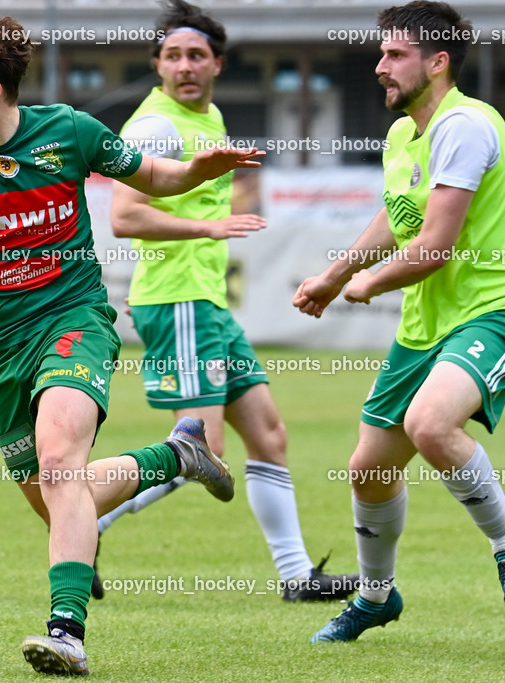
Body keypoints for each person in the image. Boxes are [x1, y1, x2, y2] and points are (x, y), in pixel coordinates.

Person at [0, 8, 263, 676]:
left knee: (59, 459)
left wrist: (200, 171)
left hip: (74, 321)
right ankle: (175, 454)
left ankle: (66, 629)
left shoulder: (68, 132)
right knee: (59, 495)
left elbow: (154, 178)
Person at [294, 0, 505, 643]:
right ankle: (376, 597)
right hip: (428, 322)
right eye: (381, 53)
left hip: (498, 306)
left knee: (431, 424)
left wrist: (369, 283)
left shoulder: (463, 125)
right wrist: (333, 275)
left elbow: (434, 245)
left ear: (437, 62)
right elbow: (396, 218)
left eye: (395, 54)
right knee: (369, 469)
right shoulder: (404, 133)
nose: (380, 66)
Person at [101, 0, 358, 603]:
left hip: (206, 303)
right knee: (200, 450)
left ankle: (297, 579)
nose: (184, 66)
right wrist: (207, 229)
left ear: (217, 63)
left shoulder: (209, 117)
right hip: (178, 300)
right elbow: (124, 215)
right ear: (157, 65)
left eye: (196, 55)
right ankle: (84, 522)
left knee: (269, 435)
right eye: (172, 56)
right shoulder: (153, 126)